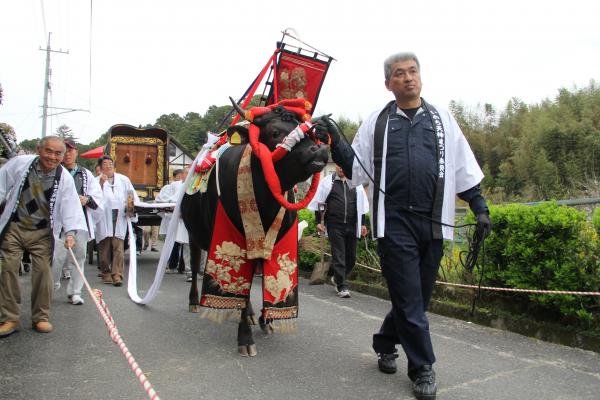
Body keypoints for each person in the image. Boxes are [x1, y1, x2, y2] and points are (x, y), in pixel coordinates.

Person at [321, 52, 492, 400]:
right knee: (411, 300)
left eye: (412, 71)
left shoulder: (442, 119)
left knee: (417, 299)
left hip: (433, 223)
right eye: (399, 74)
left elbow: (462, 165)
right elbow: (356, 171)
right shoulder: (377, 122)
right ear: (388, 83)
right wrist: (336, 141)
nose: (408, 78)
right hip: (394, 223)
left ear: (421, 77)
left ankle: (385, 341)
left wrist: (479, 205)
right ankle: (423, 368)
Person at [0, 136, 87, 337]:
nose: (53, 157)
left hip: (42, 231)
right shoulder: (21, 164)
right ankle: (9, 317)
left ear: (64, 156)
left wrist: (71, 233)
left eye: (58, 153)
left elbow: (70, 207)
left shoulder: (63, 177)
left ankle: (41, 317)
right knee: (8, 269)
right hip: (16, 226)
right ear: (39, 149)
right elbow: (2, 185)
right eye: (49, 151)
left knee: (43, 274)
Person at [52, 138, 104, 306]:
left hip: (80, 222)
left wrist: (86, 199)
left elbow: (97, 197)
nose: (67, 154)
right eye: (64, 150)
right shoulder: (53, 171)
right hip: (58, 222)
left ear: (76, 152)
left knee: (78, 258)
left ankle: (75, 292)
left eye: (70, 150)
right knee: (55, 258)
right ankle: (50, 287)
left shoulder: (85, 174)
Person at [308, 164, 369, 298]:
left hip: (352, 225)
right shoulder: (328, 182)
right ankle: (342, 286)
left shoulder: (356, 183)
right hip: (335, 225)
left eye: (343, 165)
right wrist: (318, 222)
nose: (341, 168)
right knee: (339, 256)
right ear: (335, 166)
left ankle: (337, 278)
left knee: (351, 258)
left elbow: (362, 206)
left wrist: (363, 224)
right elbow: (319, 203)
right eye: (338, 165)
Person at [95, 155, 139, 286]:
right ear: (100, 167)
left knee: (118, 246)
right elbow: (94, 196)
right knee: (104, 246)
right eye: (105, 163)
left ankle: (117, 274)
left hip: (119, 215)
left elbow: (131, 194)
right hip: (104, 216)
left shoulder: (123, 179)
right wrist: (101, 184)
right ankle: (106, 272)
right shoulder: (96, 180)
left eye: (110, 163)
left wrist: (131, 206)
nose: (108, 165)